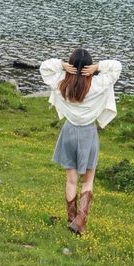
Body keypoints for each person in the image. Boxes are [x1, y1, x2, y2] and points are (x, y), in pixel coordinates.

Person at [40, 48, 122, 235]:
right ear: (88, 67)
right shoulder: (98, 84)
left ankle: (72, 219)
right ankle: (80, 220)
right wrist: (98, 67)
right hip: (88, 132)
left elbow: (44, 67)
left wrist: (61, 65)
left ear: (71, 65)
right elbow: (117, 67)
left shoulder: (62, 84)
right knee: (88, 180)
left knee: (71, 180)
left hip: (69, 130)